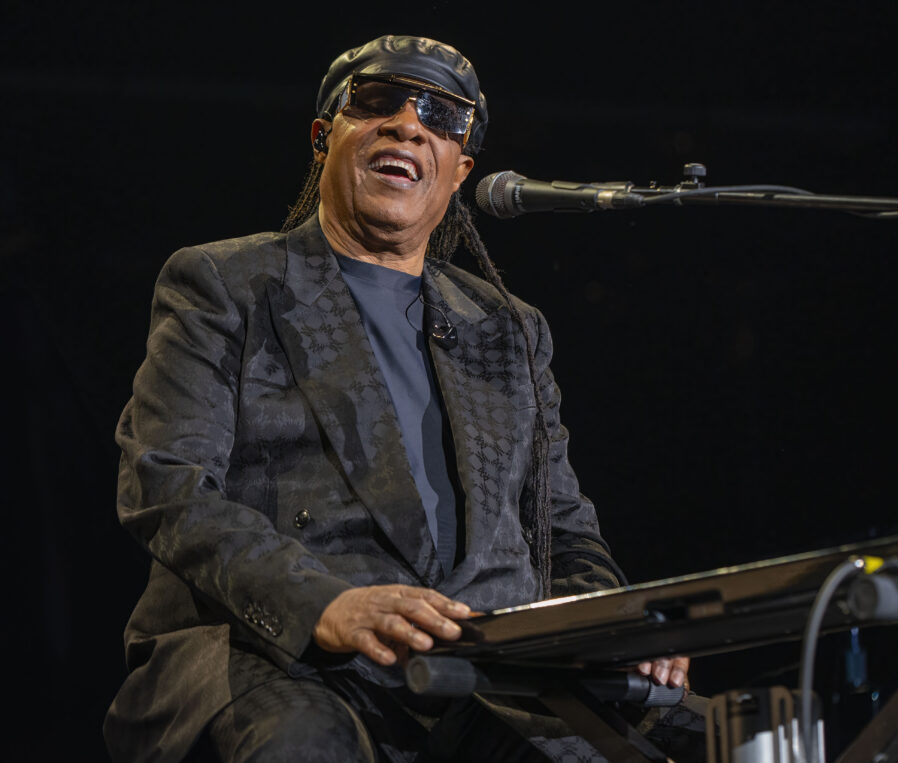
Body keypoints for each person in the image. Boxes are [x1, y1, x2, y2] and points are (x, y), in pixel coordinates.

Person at [104, 35, 689, 762]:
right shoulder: (225, 285)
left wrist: (613, 622)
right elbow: (166, 484)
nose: (408, 125)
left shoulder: (509, 327)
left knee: (711, 732)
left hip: (483, 667)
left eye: (441, 117)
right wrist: (323, 604)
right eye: (377, 101)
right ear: (324, 137)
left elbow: (562, 531)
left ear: (460, 170)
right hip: (281, 654)